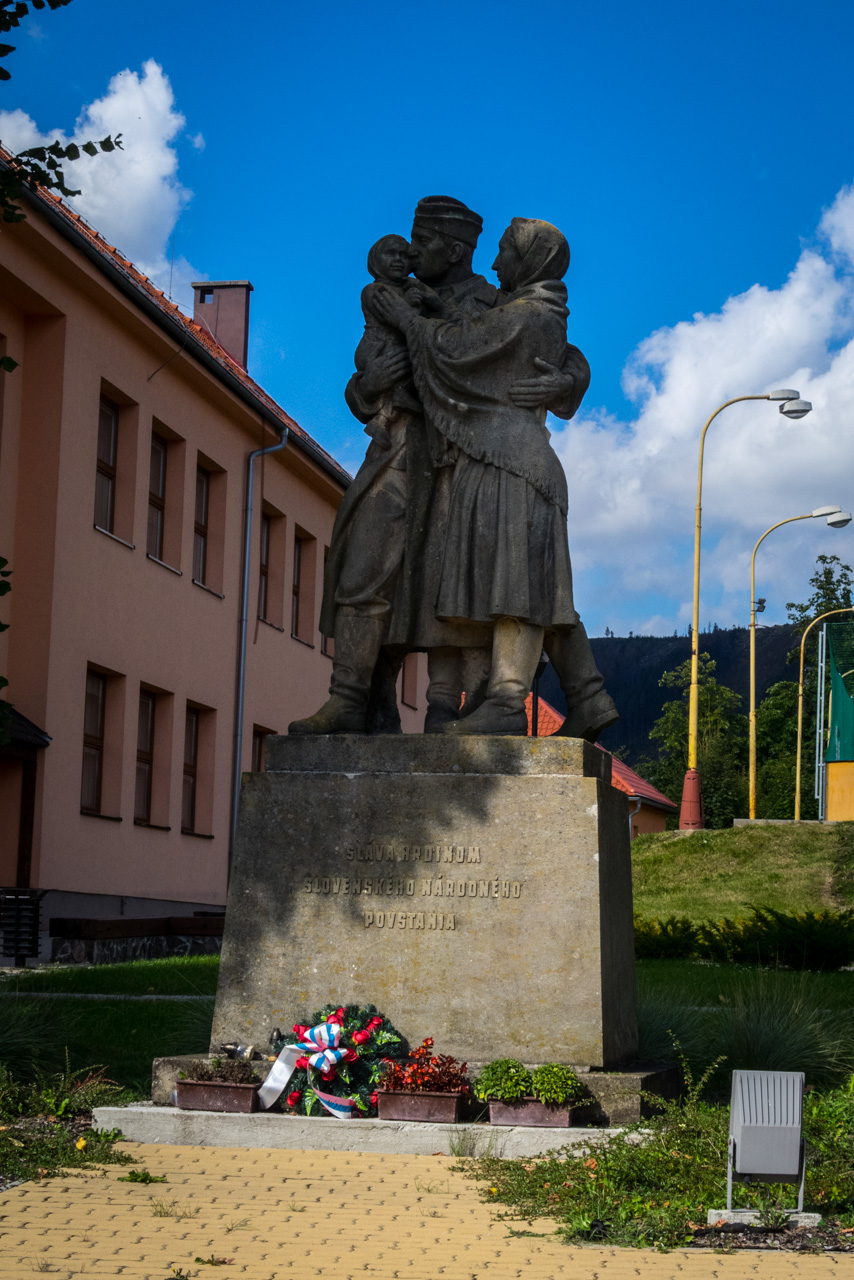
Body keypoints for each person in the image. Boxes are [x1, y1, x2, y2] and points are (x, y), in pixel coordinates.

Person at [289, 197, 615, 739]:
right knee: (364, 567)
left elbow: (562, 349)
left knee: (458, 586)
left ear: (457, 248)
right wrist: (367, 386)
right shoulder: (392, 297)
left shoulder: (494, 302)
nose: (413, 250)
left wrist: (568, 382)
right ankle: (353, 698)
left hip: (458, 462)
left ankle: (458, 704)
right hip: (397, 450)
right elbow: (361, 377)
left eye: (427, 241)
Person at [373, 218, 581, 733]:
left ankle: (501, 701)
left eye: (504, 250)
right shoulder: (513, 308)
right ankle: (433, 699)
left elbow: (461, 350)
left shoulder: (513, 309)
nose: (494, 261)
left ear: (453, 247)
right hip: (455, 462)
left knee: (512, 582)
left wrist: (408, 318)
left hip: (499, 459)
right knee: (475, 585)